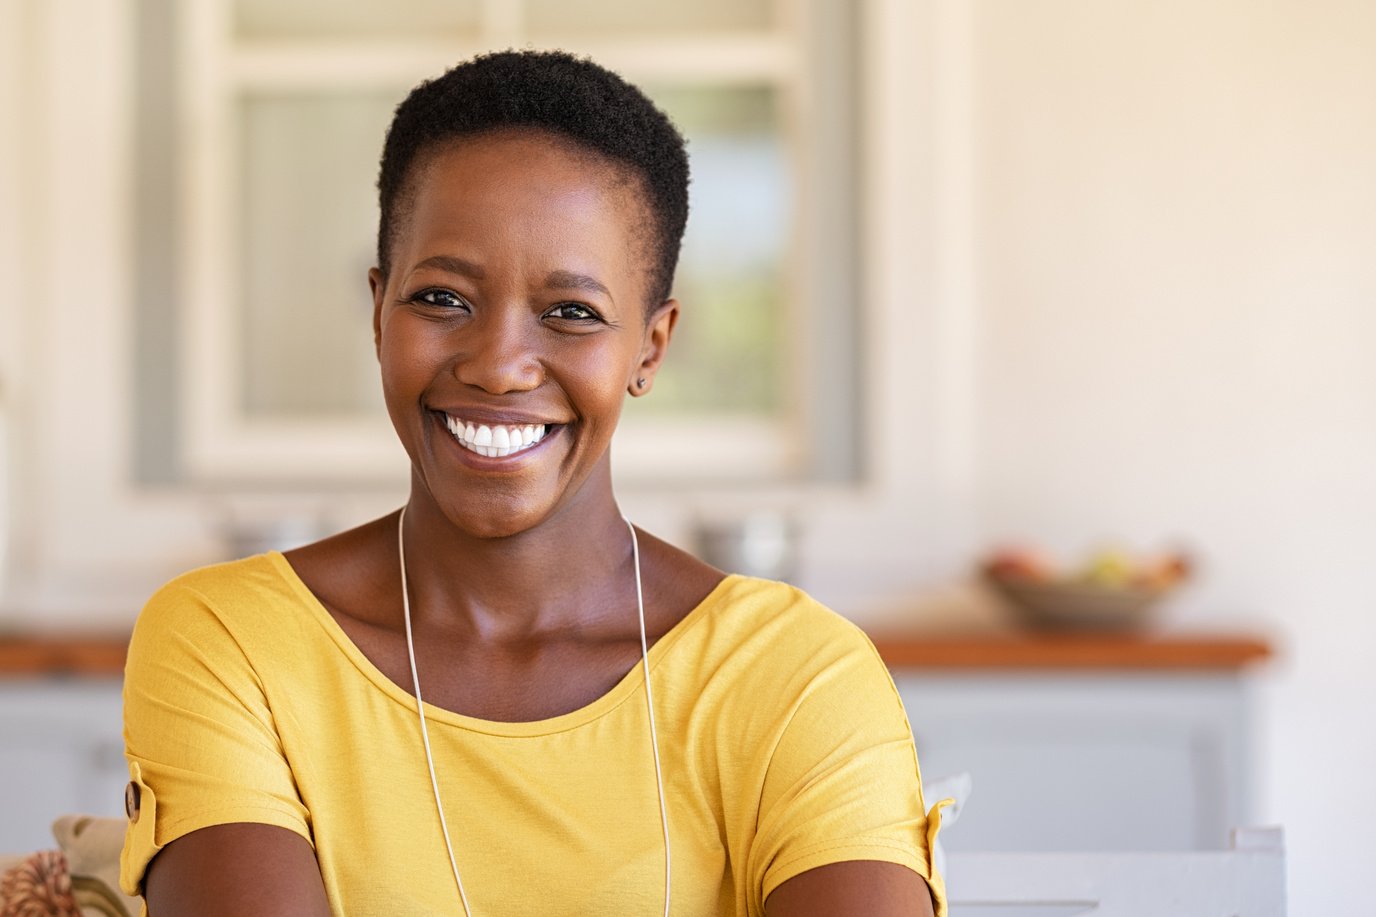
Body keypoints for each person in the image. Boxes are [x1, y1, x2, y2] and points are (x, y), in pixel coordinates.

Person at [119, 50, 948, 917]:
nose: (500, 366)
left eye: (571, 313)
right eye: (442, 298)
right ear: (377, 311)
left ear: (651, 348)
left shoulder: (795, 674)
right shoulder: (232, 643)